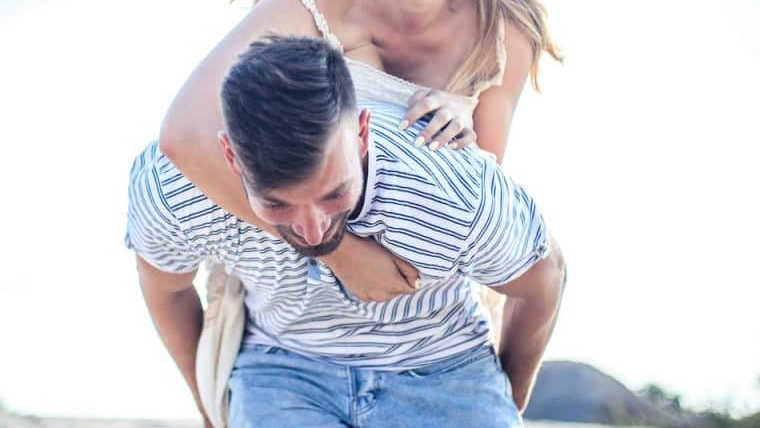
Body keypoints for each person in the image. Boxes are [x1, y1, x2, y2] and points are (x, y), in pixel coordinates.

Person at [159, 0, 563, 304]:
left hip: (413, 302)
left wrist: (464, 109)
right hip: (287, 281)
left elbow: (478, 209)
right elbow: (183, 132)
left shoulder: (505, 34)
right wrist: (343, 255)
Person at [128, 36, 565, 427]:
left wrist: (508, 400)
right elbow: (165, 287)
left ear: (361, 133)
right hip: (283, 368)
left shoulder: (450, 188)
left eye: (333, 194)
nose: (313, 231)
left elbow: (545, 278)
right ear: (230, 157)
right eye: (278, 204)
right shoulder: (177, 187)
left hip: (442, 365)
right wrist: (209, 409)